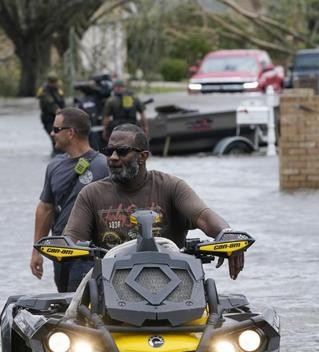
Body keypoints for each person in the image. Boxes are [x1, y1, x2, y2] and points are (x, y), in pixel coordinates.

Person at [64, 124, 245, 280]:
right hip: (110, 286)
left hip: (175, 282)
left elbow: (205, 217)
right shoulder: (91, 194)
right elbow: (70, 239)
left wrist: (228, 235)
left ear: (143, 157)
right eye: (109, 151)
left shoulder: (171, 187)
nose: (113, 158)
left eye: (122, 151)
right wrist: (62, 248)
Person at [30, 107, 109, 292]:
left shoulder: (104, 166)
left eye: (56, 129)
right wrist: (37, 251)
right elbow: (45, 208)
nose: (52, 133)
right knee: (66, 303)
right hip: (61, 253)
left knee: (83, 304)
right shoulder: (54, 165)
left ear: (71, 133)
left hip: (90, 254)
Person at [37, 72, 66, 155]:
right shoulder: (44, 92)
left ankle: (59, 154)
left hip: (58, 117)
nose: (56, 84)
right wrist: (62, 113)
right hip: (49, 118)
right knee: (55, 137)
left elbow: (62, 101)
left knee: (60, 137)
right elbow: (52, 105)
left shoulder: (57, 89)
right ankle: (56, 156)